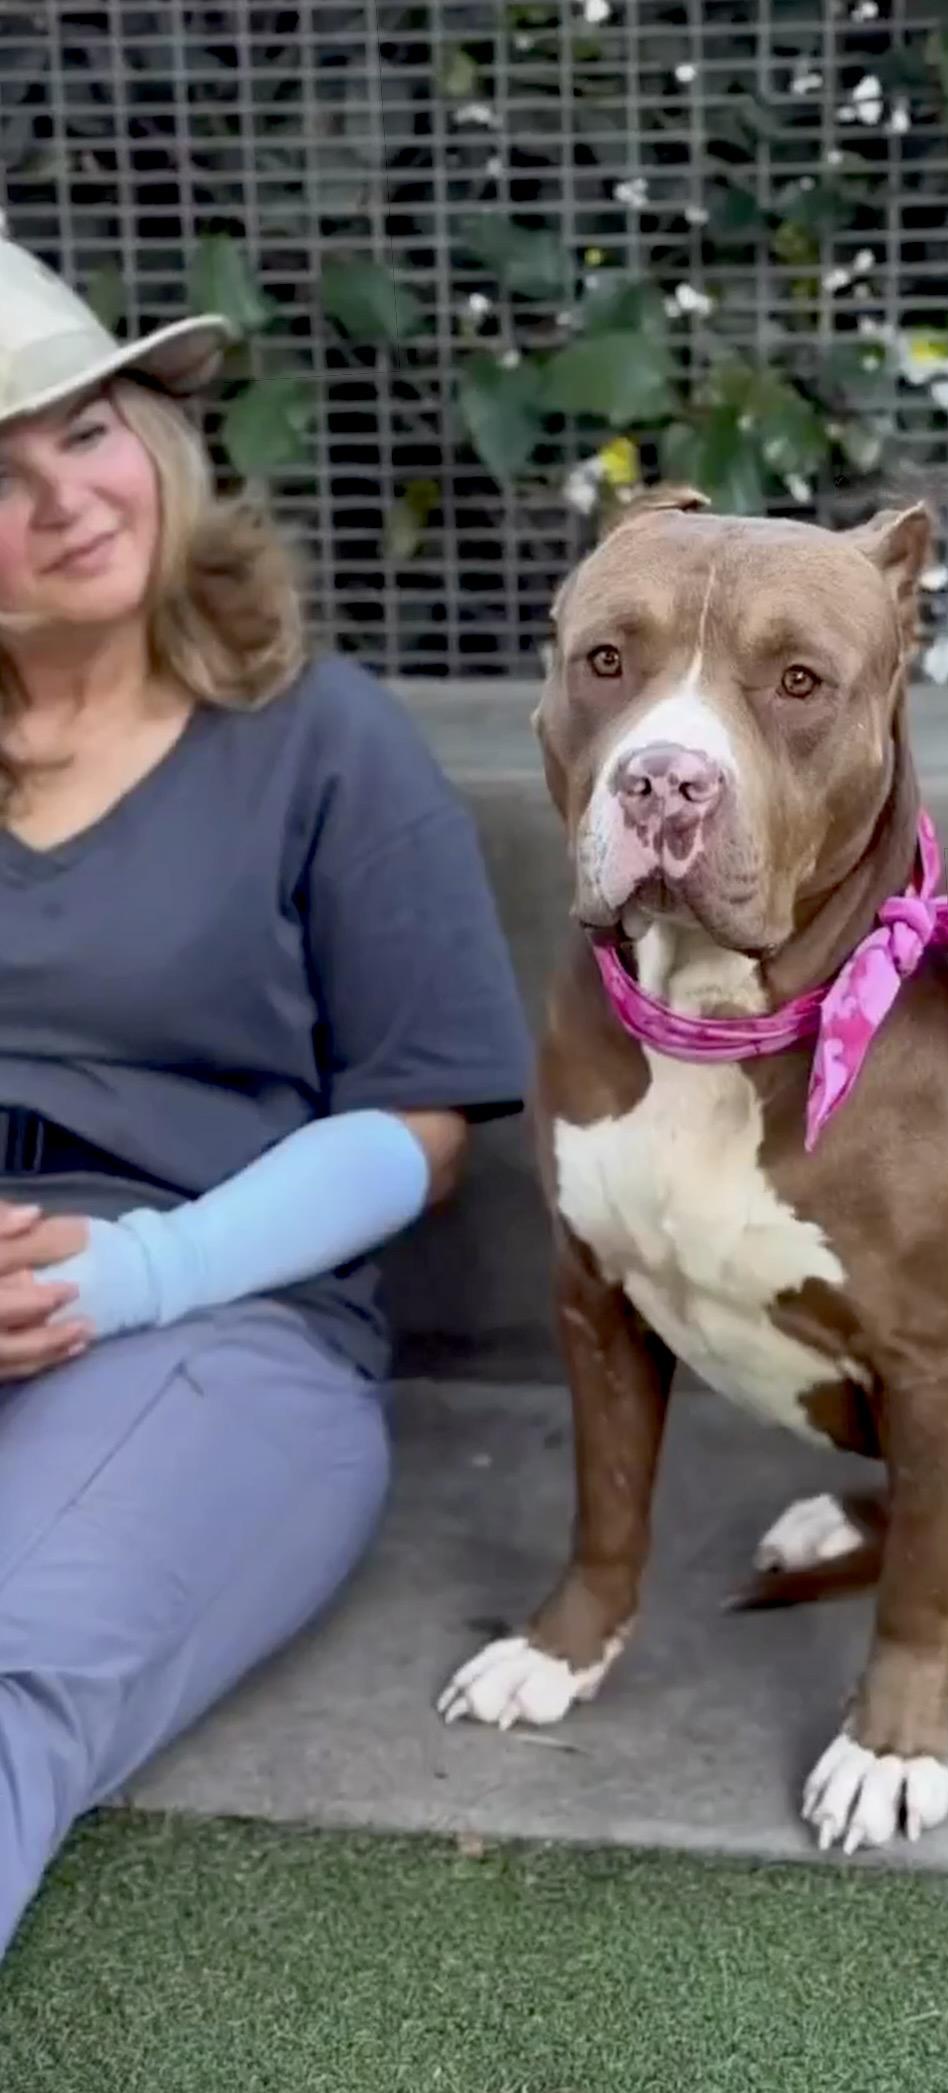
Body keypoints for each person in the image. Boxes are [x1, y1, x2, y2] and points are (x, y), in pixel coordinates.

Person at [0, 231, 532, 1955]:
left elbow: (425, 1124)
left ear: (157, 433)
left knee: (15, 1655)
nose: (66, 492)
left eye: (85, 426)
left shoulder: (321, 738)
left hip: (217, 1322)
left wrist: (136, 1275)